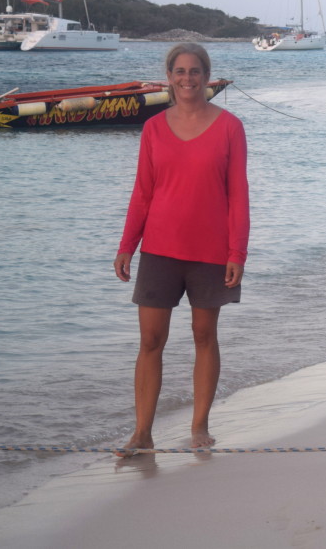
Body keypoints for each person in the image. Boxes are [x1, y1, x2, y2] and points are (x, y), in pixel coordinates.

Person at [113, 42, 249, 455]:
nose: (187, 79)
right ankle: (142, 434)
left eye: (195, 71)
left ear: (206, 77)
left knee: (204, 335)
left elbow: (238, 195)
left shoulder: (230, 127)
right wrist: (127, 245)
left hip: (211, 251)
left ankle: (199, 427)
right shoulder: (153, 127)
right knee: (151, 341)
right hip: (159, 250)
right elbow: (143, 193)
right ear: (169, 77)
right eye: (180, 71)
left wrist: (236, 253)